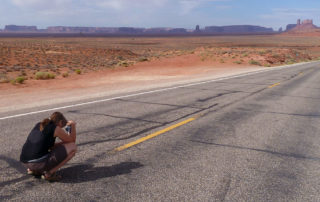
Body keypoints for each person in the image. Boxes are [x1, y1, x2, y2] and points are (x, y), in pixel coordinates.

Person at [20, 111, 77, 182]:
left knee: (38, 150)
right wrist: (73, 125)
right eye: (61, 127)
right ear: (60, 122)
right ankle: (49, 174)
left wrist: (62, 143)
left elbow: (48, 146)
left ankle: (33, 170)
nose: (61, 129)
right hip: (35, 164)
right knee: (73, 148)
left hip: (25, 162)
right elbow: (72, 141)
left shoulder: (39, 124)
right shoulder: (55, 128)